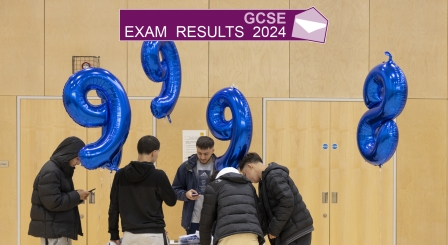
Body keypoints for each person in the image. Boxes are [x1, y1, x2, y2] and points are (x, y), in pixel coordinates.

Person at [108, 135, 177, 245]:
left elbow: (114, 207)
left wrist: (114, 234)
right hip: (154, 235)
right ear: (154, 153)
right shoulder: (158, 175)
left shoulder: (120, 175)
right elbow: (171, 201)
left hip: (129, 236)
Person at [239, 152, 314, 245]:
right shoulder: (265, 180)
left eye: (245, 174)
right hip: (290, 231)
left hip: (295, 232)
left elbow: (287, 202)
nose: (247, 179)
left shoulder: (273, 176)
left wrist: (274, 229)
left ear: (250, 166)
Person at [28, 136, 90, 245]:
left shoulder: (58, 170)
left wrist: (77, 195)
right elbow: (53, 202)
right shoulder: (52, 171)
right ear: (69, 155)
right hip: (55, 231)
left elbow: (58, 196)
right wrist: (77, 196)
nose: (78, 163)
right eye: (77, 158)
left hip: (57, 229)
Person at [199, 167, 265, 245]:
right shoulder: (249, 185)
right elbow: (259, 214)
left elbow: (206, 222)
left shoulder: (214, 186)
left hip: (228, 236)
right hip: (252, 235)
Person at [172, 136, 217, 235]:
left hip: (215, 221)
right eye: (199, 153)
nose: (202, 157)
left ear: (213, 150)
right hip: (193, 221)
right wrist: (186, 195)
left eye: (206, 154)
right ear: (196, 149)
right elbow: (175, 190)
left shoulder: (219, 166)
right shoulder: (186, 166)